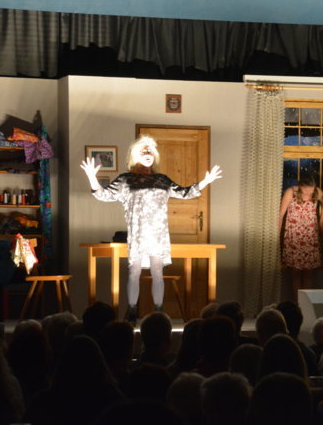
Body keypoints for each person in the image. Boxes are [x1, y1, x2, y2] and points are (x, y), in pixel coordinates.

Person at [81, 135, 222, 323]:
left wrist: (205, 181)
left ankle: (159, 311)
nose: (148, 154)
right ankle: (132, 311)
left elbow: (184, 193)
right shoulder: (126, 179)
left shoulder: (161, 180)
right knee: (134, 272)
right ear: (135, 155)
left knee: (157, 272)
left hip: (158, 234)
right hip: (138, 233)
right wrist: (92, 177)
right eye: (143, 151)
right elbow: (103, 195)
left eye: (150, 151)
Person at [278, 176, 323, 295]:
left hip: (310, 237)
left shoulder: (317, 192)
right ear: (300, 187)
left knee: (309, 273)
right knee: (295, 273)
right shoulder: (291, 192)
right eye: (306, 191)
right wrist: (277, 234)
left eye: (311, 190)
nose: (309, 193)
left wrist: (321, 222)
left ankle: (306, 302)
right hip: (294, 238)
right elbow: (281, 215)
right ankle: (297, 303)